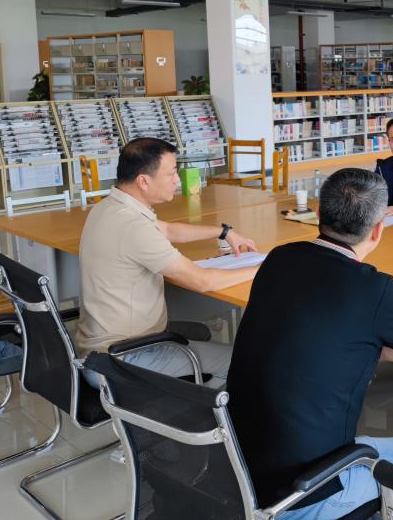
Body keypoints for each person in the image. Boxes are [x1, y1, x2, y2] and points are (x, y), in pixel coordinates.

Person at [227, 168, 393, 520]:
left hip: (231, 472)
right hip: (298, 498)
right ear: (378, 230)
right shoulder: (374, 288)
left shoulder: (279, 258)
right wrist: (384, 324)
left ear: (318, 215)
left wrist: (359, 335)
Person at [77, 137, 259, 388]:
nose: (177, 180)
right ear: (143, 181)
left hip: (101, 351)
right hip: (123, 359)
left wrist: (223, 232)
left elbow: (169, 230)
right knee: (242, 363)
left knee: (203, 338)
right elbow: (202, 281)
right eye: (171, 173)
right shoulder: (132, 226)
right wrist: (260, 269)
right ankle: (198, 410)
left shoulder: (109, 207)